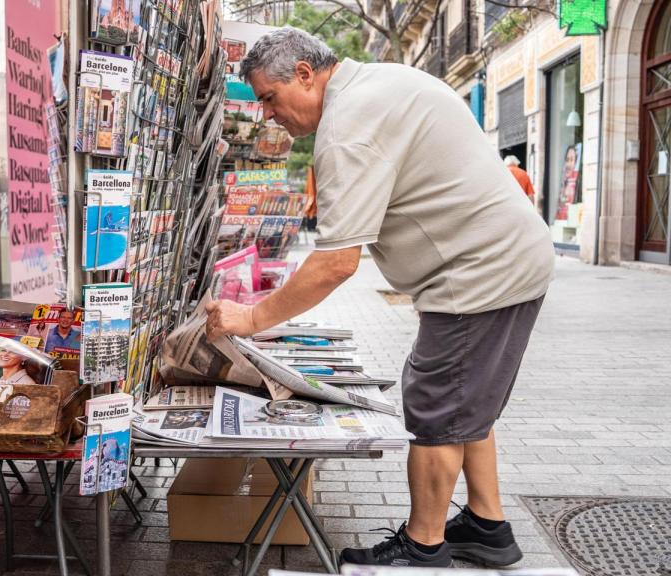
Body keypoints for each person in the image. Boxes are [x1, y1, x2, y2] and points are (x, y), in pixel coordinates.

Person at [206, 27, 554, 567]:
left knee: (435, 407)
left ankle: (424, 544)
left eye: (270, 99)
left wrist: (250, 318)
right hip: (503, 261)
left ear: (304, 74)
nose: (268, 116)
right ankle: (488, 526)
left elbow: (336, 263)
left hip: (479, 274)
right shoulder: (377, 81)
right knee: (466, 405)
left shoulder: (345, 130)